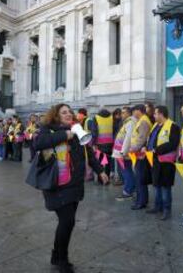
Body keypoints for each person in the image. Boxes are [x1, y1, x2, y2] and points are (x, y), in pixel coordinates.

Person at [35, 103, 108, 273]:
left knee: (66, 222)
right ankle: (62, 260)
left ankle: (56, 254)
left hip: (74, 183)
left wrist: (100, 171)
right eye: (64, 112)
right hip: (57, 184)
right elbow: (38, 143)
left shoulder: (77, 129)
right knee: (67, 221)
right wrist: (64, 135)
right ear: (56, 115)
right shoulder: (49, 129)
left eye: (69, 112)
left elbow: (88, 153)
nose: (68, 114)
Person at [145, 105, 180, 220]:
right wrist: (146, 148)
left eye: (155, 113)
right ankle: (157, 206)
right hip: (155, 160)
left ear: (161, 114)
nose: (154, 115)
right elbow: (151, 140)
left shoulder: (173, 126)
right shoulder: (155, 125)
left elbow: (173, 143)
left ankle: (167, 210)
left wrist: (156, 150)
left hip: (167, 162)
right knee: (156, 185)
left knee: (165, 187)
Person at [129, 104, 153, 210]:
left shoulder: (143, 121)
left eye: (134, 111)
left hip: (141, 154)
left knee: (140, 178)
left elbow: (142, 138)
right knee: (140, 178)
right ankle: (142, 199)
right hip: (138, 153)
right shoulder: (141, 120)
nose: (133, 113)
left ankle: (141, 202)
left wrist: (132, 148)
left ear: (139, 111)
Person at [112, 106, 136, 200]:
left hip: (123, 153)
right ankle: (131, 188)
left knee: (126, 172)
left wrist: (123, 152)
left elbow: (128, 138)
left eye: (124, 112)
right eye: (122, 113)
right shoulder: (127, 122)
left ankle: (128, 191)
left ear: (129, 113)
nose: (122, 114)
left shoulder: (130, 123)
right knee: (127, 171)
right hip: (121, 152)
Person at [92, 108, 114, 183]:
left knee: (100, 162)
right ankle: (107, 178)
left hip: (100, 144)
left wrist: (93, 143)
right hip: (110, 143)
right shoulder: (111, 117)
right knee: (108, 162)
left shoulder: (96, 118)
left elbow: (94, 132)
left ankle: (100, 179)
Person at [76, 108, 94, 181]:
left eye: (79, 113)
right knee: (87, 158)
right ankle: (88, 174)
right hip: (86, 142)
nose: (78, 115)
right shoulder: (85, 120)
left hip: (86, 142)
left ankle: (89, 175)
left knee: (88, 158)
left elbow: (92, 131)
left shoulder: (86, 120)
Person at [112, 108, 123, 185]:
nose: (118, 116)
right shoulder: (113, 121)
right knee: (115, 161)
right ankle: (117, 176)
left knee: (119, 162)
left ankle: (119, 177)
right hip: (114, 142)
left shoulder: (122, 122)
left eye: (119, 114)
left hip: (119, 143)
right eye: (116, 114)